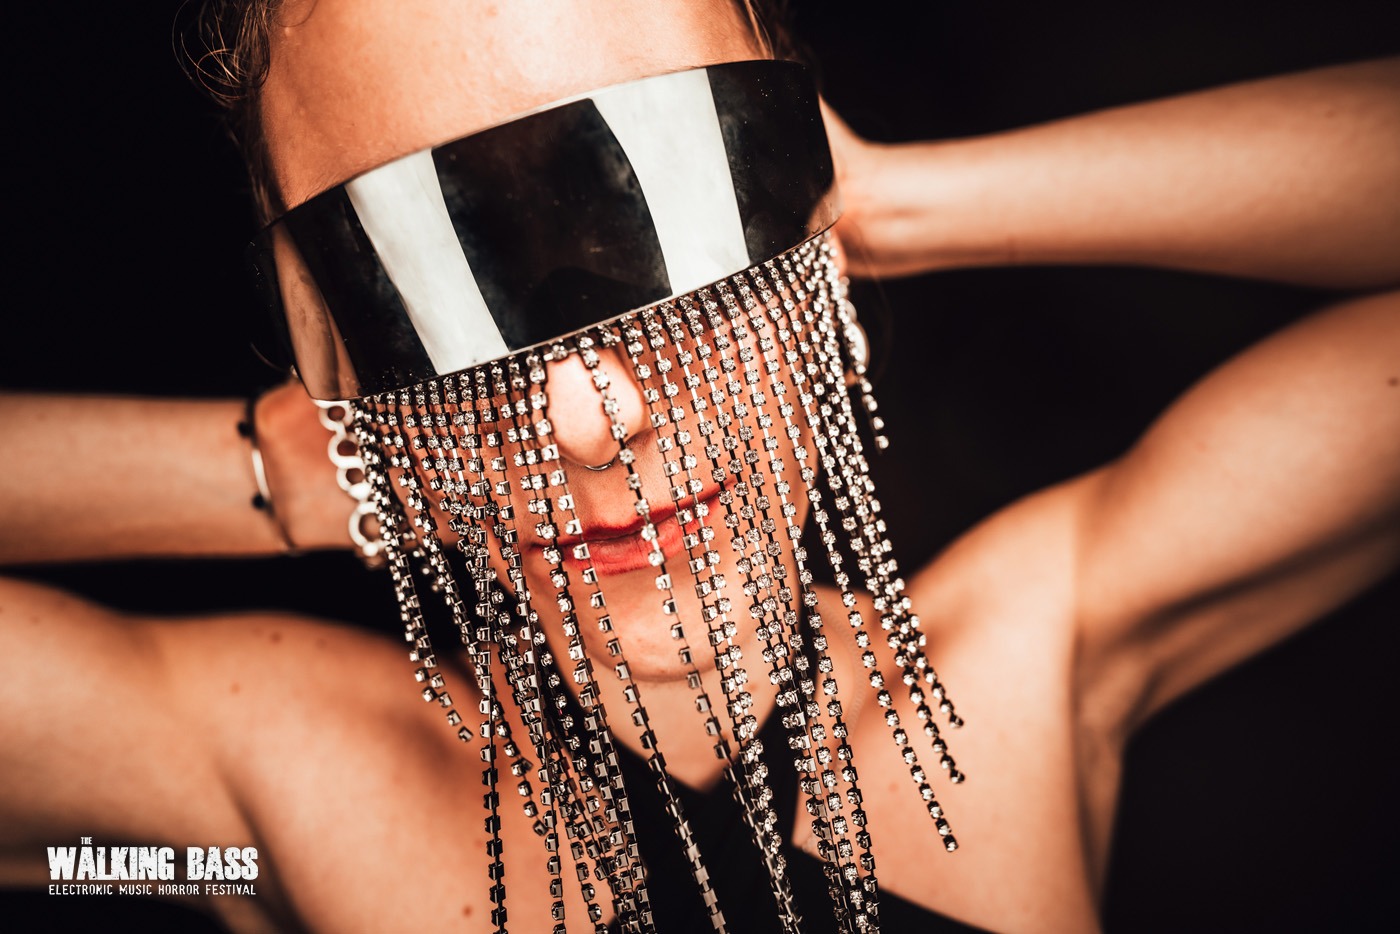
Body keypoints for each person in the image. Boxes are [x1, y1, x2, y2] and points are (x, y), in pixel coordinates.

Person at [2, 1, 1397, 931]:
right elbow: (82, 864)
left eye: (668, 216)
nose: (589, 420)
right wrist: (301, 474)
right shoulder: (283, 800)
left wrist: (892, 205)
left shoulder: (1018, 663)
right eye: (420, 279)